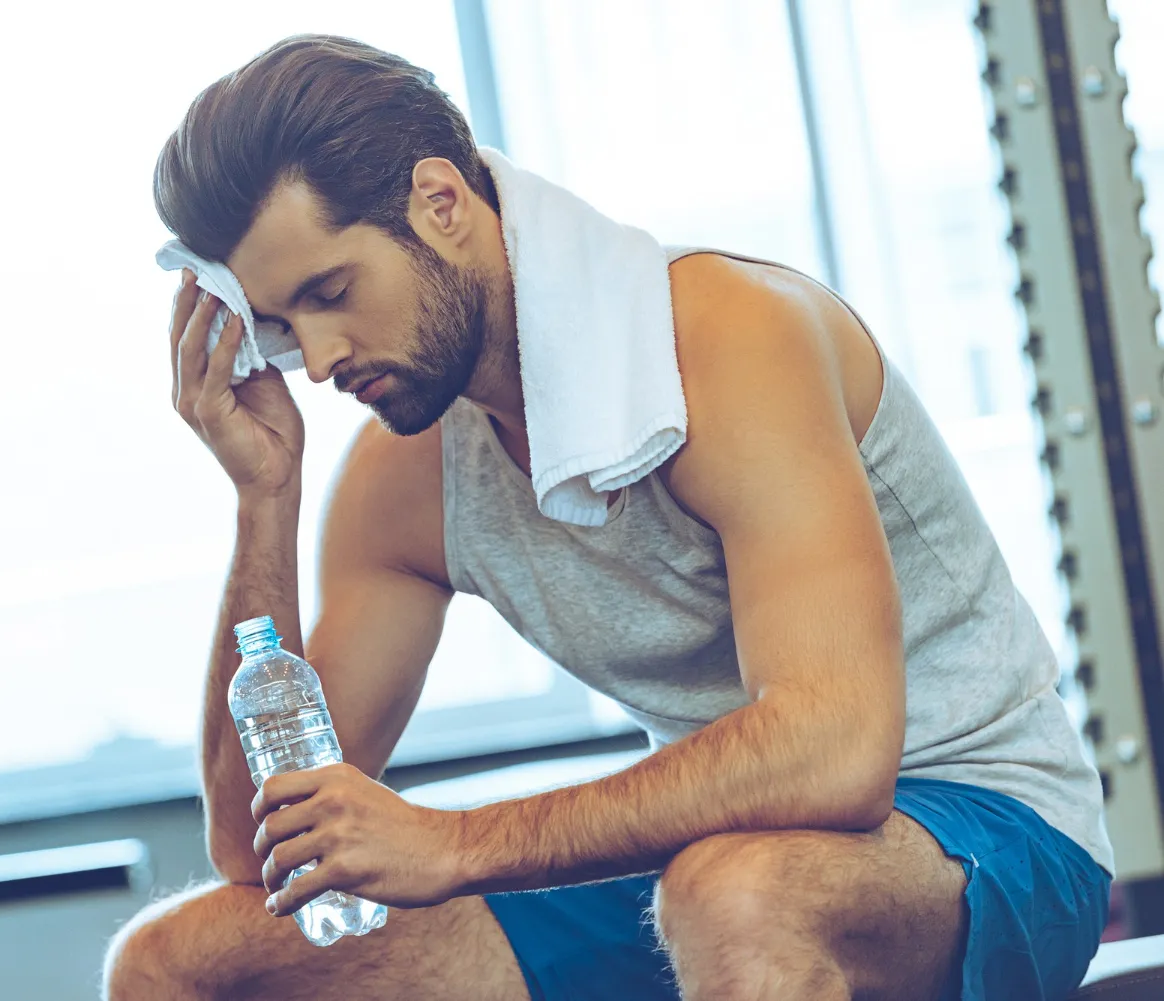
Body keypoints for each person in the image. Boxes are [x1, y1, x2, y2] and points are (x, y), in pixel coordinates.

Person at [103, 34, 1112, 1001]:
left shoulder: (725, 337)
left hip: (986, 832)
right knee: (175, 962)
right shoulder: (402, 477)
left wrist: (456, 842)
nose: (320, 360)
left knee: (736, 896)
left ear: (441, 203)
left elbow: (836, 753)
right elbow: (255, 843)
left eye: (332, 291)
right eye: (285, 327)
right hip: (703, 855)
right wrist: (264, 498)